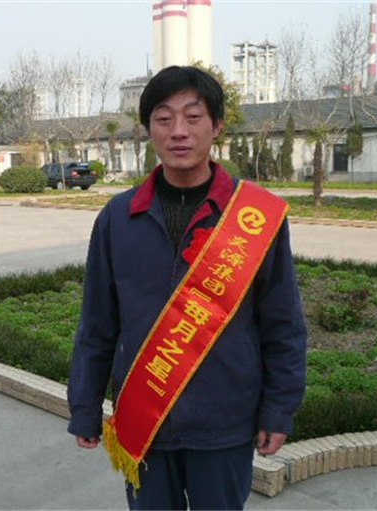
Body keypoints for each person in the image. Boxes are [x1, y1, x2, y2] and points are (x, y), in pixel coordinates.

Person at [67, 65, 307, 510]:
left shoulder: (253, 217)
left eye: (193, 117)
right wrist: (84, 406)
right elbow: (97, 322)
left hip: (225, 422)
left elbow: (282, 323)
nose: (179, 131)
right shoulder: (118, 218)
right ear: (149, 129)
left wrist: (279, 410)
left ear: (216, 126)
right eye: (164, 118)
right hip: (144, 420)